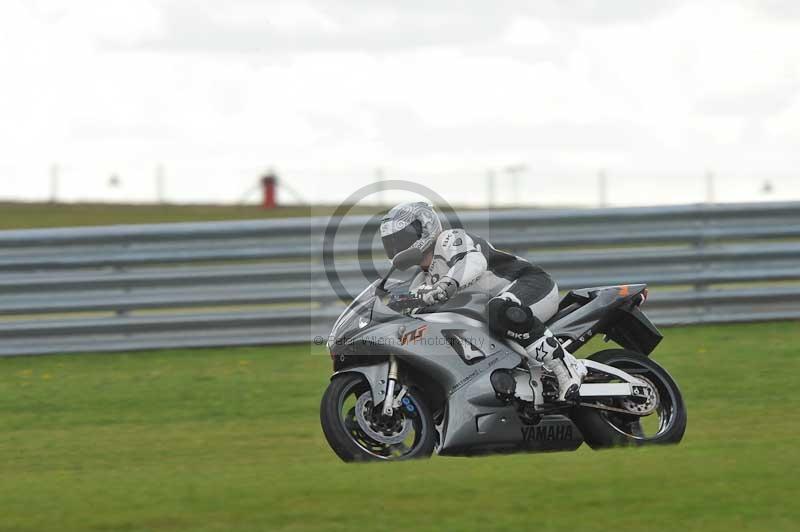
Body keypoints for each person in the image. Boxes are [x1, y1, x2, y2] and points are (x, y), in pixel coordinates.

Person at [379, 201, 586, 402]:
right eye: (391, 243)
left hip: (530, 285)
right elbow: (413, 309)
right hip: (498, 313)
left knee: (499, 309)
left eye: (402, 238)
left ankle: (566, 367)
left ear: (425, 227)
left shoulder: (449, 240)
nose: (397, 247)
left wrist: (447, 284)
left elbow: (473, 261)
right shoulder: (420, 281)